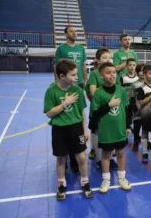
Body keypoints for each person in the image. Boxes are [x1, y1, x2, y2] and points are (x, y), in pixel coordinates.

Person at [44, 59, 93, 200]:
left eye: (76, 74)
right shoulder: (51, 91)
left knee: (82, 158)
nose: (76, 77)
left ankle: (85, 182)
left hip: (76, 128)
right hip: (59, 129)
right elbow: (49, 113)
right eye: (72, 75)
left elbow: (82, 113)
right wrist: (64, 103)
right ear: (61, 76)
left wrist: (84, 130)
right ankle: (61, 184)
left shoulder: (77, 90)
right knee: (61, 159)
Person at [91, 62, 132, 194]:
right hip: (106, 131)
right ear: (101, 75)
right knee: (106, 155)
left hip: (119, 130)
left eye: (114, 72)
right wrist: (109, 105)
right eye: (108, 73)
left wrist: (127, 126)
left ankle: (122, 178)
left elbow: (126, 109)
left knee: (120, 153)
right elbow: (95, 113)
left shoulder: (121, 90)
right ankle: (106, 179)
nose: (112, 75)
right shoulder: (98, 93)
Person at [53, 25, 88, 172]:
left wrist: (85, 80)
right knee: (65, 112)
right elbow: (56, 66)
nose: (75, 33)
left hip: (78, 83)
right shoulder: (61, 49)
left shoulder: (81, 49)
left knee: (78, 112)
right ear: (66, 34)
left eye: (76, 31)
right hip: (65, 84)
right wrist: (57, 82)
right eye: (72, 31)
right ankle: (64, 157)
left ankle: (75, 156)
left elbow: (84, 65)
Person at [86, 48, 110, 166]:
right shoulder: (95, 74)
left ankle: (106, 157)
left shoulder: (111, 73)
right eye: (104, 58)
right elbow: (93, 92)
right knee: (96, 130)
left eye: (109, 57)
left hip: (109, 109)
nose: (108, 60)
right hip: (98, 108)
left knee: (106, 131)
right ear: (98, 60)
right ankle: (96, 155)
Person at [137, 65, 151, 163]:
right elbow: (141, 102)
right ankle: (145, 151)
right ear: (144, 74)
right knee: (145, 132)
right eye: (150, 73)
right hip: (145, 114)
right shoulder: (142, 88)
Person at [129, 63, 145, 151]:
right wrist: (135, 109)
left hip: (148, 111)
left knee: (146, 127)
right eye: (140, 71)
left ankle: (145, 141)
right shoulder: (134, 85)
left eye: (144, 71)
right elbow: (131, 98)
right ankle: (136, 141)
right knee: (137, 126)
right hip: (138, 110)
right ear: (137, 72)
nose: (143, 73)